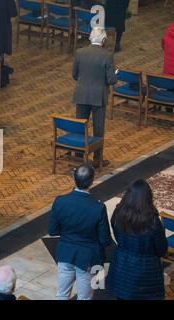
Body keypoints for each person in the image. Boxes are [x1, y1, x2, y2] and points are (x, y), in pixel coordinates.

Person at [48, 165, 112, 300]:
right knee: (84, 298)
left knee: (62, 295)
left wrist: (67, 232)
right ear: (92, 180)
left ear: (73, 178)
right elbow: (105, 240)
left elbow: (52, 231)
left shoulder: (60, 201)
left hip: (65, 254)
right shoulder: (98, 208)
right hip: (88, 258)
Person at [107, 180, 168, 300]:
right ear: (148, 197)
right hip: (146, 272)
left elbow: (116, 233)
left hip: (121, 265)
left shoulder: (118, 213)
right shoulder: (153, 222)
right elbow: (162, 250)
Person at [72, 28, 117, 168]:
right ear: (103, 40)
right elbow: (111, 80)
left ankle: (79, 156)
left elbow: (74, 75)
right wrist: (115, 74)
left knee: (80, 126)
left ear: (90, 38)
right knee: (98, 129)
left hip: (82, 94)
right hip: (98, 97)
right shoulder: (107, 56)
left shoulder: (80, 53)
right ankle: (97, 159)